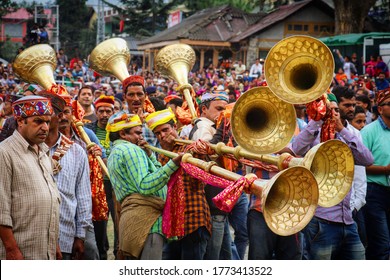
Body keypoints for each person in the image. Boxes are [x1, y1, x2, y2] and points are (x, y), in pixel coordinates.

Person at [291, 89, 374, 260]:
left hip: (347, 220)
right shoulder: (312, 133)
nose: (334, 113)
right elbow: (296, 148)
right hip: (322, 220)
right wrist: (316, 122)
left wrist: (342, 129)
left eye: (336, 110)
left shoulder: (347, 135)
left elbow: (367, 159)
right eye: (329, 110)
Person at [107, 111, 182, 259]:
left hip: (136, 217)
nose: (141, 137)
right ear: (123, 134)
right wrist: (173, 164)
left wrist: (149, 155)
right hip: (148, 220)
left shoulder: (116, 151)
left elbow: (155, 174)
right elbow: (145, 185)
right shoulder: (130, 149)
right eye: (137, 133)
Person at [145, 108, 211, 260]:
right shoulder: (160, 155)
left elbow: (201, 178)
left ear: (175, 127)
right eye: (158, 133)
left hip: (193, 220)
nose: (163, 136)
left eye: (166, 130)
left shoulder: (189, 148)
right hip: (172, 224)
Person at [0, 96, 61, 259]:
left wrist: (53, 244)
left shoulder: (43, 151)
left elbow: (50, 198)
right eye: (38, 121)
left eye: (47, 122)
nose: (45, 128)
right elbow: (1, 210)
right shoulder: (4, 153)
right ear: (20, 121)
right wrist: (11, 249)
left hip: (44, 250)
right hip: (20, 251)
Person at [41, 92, 92, 260]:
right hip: (33, 239)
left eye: (48, 113)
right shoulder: (27, 148)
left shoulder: (76, 151)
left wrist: (80, 235)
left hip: (66, 237)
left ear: (60, 115)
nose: (44, 119)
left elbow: (83, 196)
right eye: (38, 115)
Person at [189, 91, 231, 260]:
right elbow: (208, 154)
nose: (222, 113)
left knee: (226, 254)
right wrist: (223, 130)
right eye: (219, 108)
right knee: (214, 256)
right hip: (213, 202)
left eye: (225, 109)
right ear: (204, 110)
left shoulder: (212, 126)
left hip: (220, 200)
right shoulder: (203, 127)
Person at [85, 95, 118, 259]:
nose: (105, 114)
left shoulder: (119, 130)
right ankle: (102, 253)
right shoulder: (88, 131)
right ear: (96, 112)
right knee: (100, 223)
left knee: (118, 223)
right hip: (96, 185)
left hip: (116, 185)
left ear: (114, 112)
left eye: (108, 111)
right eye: (101, 111)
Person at [360, 88, 390, 260]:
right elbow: (359, 165)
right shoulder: (369, 131)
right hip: (374, 192)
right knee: (381, 243)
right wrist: (385, 169)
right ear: (380, 109)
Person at [122, 75, 157, 147]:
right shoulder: (116, 119)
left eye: (139, 94)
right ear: (124, 97)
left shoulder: (154, 120)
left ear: (145, 95)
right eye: (131, 95)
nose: (136, 99)